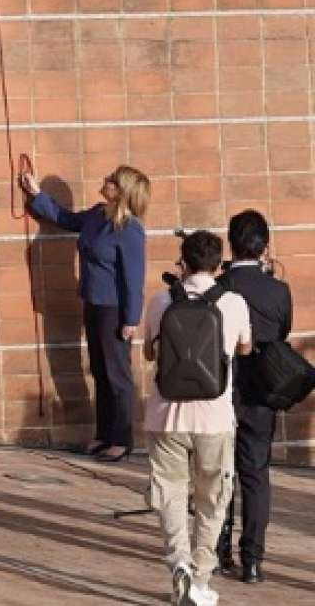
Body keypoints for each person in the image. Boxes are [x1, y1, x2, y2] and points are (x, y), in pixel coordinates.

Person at [143, 230, 252, 606]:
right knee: (212, 499)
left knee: (170, 494)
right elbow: (245, 347)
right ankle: (201, 578)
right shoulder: (234, 302)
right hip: (215, 417)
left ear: (182, 262)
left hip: (165, 415)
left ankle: (179, 562)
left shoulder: (159, 301)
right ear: (219, 265)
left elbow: (147, 353)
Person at [20, 165, 150, 461]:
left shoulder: (129, 230)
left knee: (117, 375)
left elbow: (133, 279)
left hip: (115, 309)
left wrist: (131, 319)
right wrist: (36, 194)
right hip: (93, 301)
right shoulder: (96, 214)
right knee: (100, 371)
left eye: (112, 181)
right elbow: (66, 219)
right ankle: (104, 434)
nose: (105, 182)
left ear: (123, 191)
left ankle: (122, 437)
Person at [215, 210, 292, 584]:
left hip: (223, 391)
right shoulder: (278, 290)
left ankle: (218, 550)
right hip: (262, 392)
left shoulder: (220, 286)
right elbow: (283, 330)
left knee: (220, 473)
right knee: (256, 476)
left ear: (231, 243)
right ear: (265, 245)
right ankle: (253, 561)